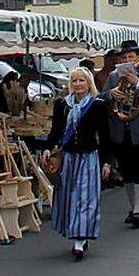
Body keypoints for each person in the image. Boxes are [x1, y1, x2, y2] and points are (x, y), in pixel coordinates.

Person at [44, 67, 113, 260]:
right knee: (69, 196)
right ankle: (78, 233)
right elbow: (56, 131)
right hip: (68, 158)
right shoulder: (62, 105)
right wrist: (49, 147)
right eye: (74, 81)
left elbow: (105, 136)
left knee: (85, 197)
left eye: (81, 80)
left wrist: (106, 162)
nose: (78, 84)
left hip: (89, 157)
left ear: (88, 83)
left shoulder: (97, 105)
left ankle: (79, 241)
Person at [100, 40, 139, 229]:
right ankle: (134, 208)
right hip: (120, 131)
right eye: (124, 58)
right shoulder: (114, 76)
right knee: (127, 173)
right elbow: (101, 98)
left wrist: (138, 84)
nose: (127, 60)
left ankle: (138, 211)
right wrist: (112, 94)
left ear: (138, 57)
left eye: (131, 57)